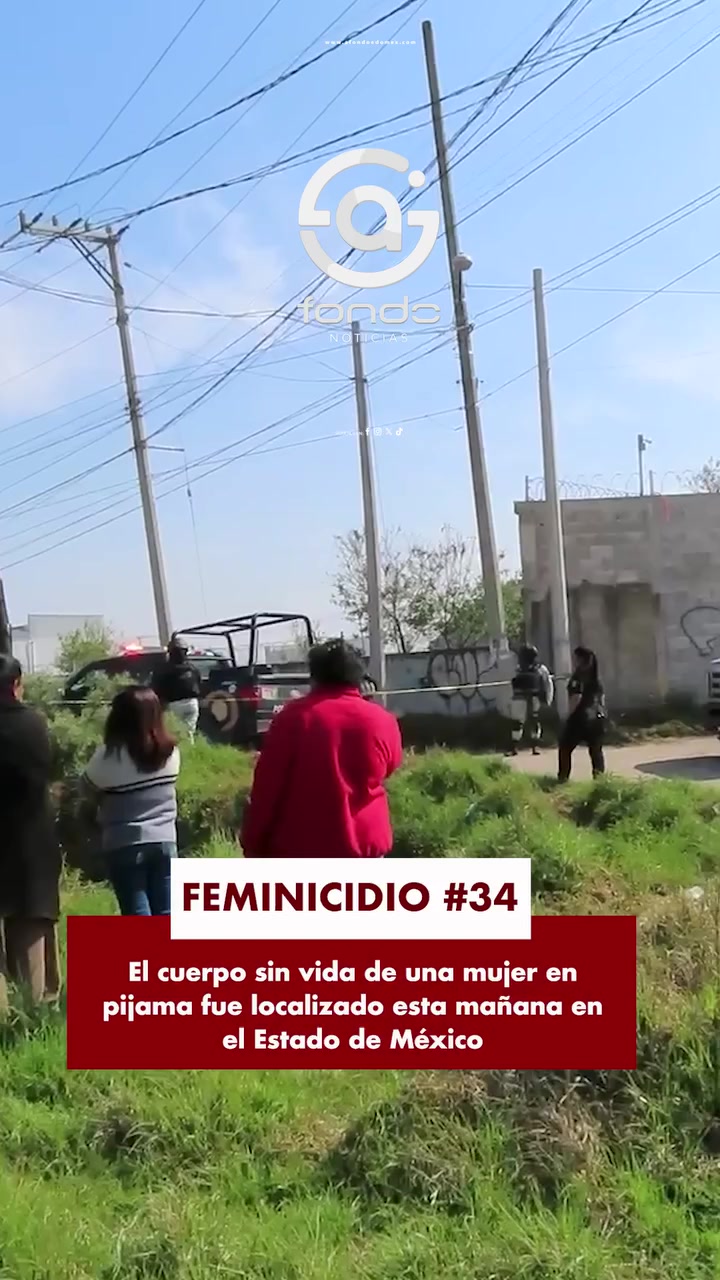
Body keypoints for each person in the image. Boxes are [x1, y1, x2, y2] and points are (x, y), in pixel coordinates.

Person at [241, 638, 403, 859]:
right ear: (358, 676)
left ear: (314, 675)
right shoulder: (382, 720)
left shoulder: (292, 718)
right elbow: (389, 768)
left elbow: (267, 789)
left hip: (304, 850)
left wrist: (253, 842)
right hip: (366, 850)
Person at [83, 686, 180, 915]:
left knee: (137, 914)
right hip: (165, 840)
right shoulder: (171, 753)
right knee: (166, 914)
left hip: (123, 843)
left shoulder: (108, 756)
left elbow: (85, 788)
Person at [0, 655, 61, 1012]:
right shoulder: (33, 724)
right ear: (16, 685)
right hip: (29, 843)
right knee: (31, 934)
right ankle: (33, 1016)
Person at [558, 646, 606, 782]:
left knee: (565, 747)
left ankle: (563, 778)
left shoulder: (578, 677)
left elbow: (576, 698)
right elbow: (601, 699)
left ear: (580, 659)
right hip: (596, 719)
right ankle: (600, 781)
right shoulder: (596, 677)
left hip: (580, 719)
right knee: (596, 752)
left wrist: (567, 716)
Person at [506, 644, 554, 756]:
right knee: (522, 723)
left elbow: (546, 684)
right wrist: (547, 699)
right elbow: (547, 684)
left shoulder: (538, 669)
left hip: (530, 698)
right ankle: (522, 747)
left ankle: (529, 747)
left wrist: (547, 699)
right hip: (523, 698)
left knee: (527, 723)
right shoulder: (519, 669)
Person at [151, 639, 201, 741]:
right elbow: (199, 683)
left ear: (171, 652)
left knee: (172, 733)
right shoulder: (192, 668)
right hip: (192, 703)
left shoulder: (164, 669)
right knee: (188, 733)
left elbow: (157, 688)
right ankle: (189, 752)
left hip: (173, 704)